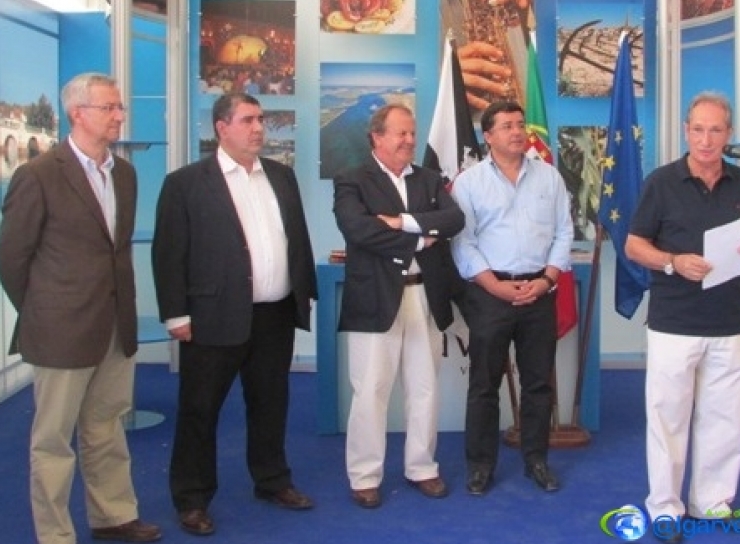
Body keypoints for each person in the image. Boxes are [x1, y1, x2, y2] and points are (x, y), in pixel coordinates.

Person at [0, 72, 161, 544]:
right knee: (53, 440)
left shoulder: (124, 174)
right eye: (109, 107)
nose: (119, 115)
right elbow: (11, 257)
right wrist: (43, 311)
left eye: (119, 107)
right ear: (77, 114)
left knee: (106, 426)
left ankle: (113, 516)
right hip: (60, 331)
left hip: (114, 326)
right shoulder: (39, 175)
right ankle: (55, 534)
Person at [151, 92, 318, 536]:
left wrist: (304, 293)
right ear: (221, 128)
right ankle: (192, 498)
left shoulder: (281, 176)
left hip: (274, 315)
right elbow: (169, 254)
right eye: (248, 120)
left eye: (261, 119)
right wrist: (175, 314)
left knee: (271, 403)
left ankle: (272, 480)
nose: (259, 128)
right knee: (200, 410)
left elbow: (296, 240)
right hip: (212, 316)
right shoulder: (186, 183)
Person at [624, 91, 740, 544]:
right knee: (668, 419)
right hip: (674, 322)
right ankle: (664, 509)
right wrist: (673, 261)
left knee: (724, 419)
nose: (706, 140)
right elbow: (634, 245)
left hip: (730, 320)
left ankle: (712, 503)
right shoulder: (661, 182)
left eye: (715, 130)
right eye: (698, 130)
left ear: (729, 135)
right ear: (686, 131)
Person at [333, 104, 465, 509]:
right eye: (400, 133)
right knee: (370, 390)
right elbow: (358, 229)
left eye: (411, 132)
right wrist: (421, 237)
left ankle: (422, 467)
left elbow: (454, 219)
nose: (409, 140)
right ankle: (365, 475)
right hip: (375, 297)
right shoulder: (352, 179)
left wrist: (401, 221)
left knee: (424, 387)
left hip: (425, 296)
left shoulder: (429, 178)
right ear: (377, 137)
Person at [450, 100, 574, 495]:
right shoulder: (469, 183)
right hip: (491, 294)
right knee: (484, 385)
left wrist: (548, 279)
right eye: (507, 126)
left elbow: (564, 232)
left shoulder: (549, 177)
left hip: (539, 291)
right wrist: (493, 285)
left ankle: (536, 460)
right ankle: (480, 466)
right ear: (488, 136)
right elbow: (463, 242)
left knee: (538, 384)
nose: (518, 132)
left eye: (521, 124)